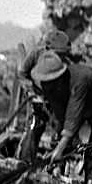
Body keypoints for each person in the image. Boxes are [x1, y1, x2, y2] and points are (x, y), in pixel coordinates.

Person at [29, 50, 92, 184]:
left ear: (58, 79)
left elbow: (73, 116)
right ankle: (56, 174)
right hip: (79, 106)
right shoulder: (50, 88)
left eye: (49, 83)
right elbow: (62, 118)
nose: (46, 86)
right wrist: (60, 147)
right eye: (44, 83)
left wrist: (61, 148)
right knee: (58, 142)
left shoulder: (79, 81)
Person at [16, 30, 78, 162]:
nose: (60, 59)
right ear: (48, 49)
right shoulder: (36, 54)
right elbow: (22, 73)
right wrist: (31, 92)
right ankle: (26, 162)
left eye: (63, 55)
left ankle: (55, 162)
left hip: (55, 99)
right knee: (35, 125)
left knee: (60, 128)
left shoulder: (68, 61)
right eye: (58, 54)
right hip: (37, 96)